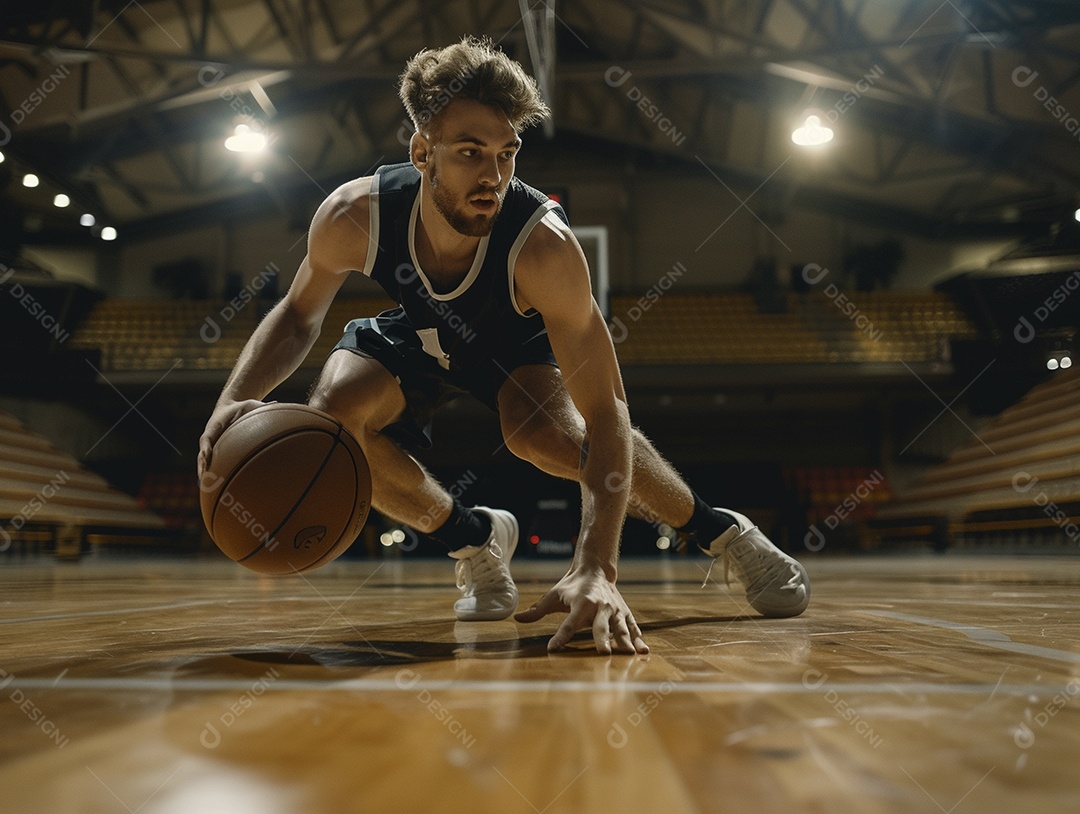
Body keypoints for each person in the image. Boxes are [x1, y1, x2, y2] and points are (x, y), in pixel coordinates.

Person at [197, 36, 810, 655]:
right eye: (469, 153)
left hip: (513, 341)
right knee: (332, 417)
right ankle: (475, 539)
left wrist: (599, 565)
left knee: (540, 434)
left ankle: (722, 533)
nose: (492, 175)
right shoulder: (354, 214)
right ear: (422, 152)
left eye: (506, 153)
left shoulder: (544, 249)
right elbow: (299, 314)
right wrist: (234, 400)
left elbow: (607, 411)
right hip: (419, 332)